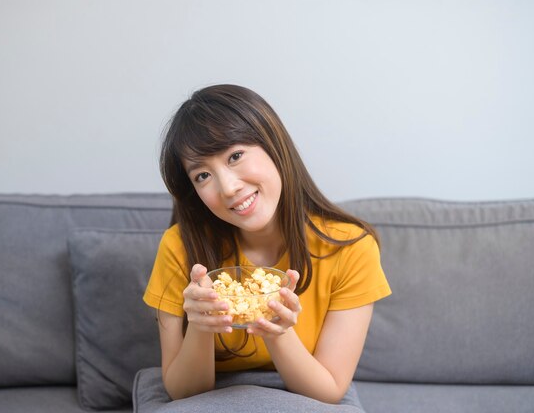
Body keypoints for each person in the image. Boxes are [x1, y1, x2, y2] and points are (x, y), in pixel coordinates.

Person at [143, 84, 392, 405]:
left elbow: (328, 390)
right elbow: (183, 393)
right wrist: (202, 327)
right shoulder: (179, 247)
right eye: (203, 175)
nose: (228, 188)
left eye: (235, 156)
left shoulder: (351, 248)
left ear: (274, 145)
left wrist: (277, 329)